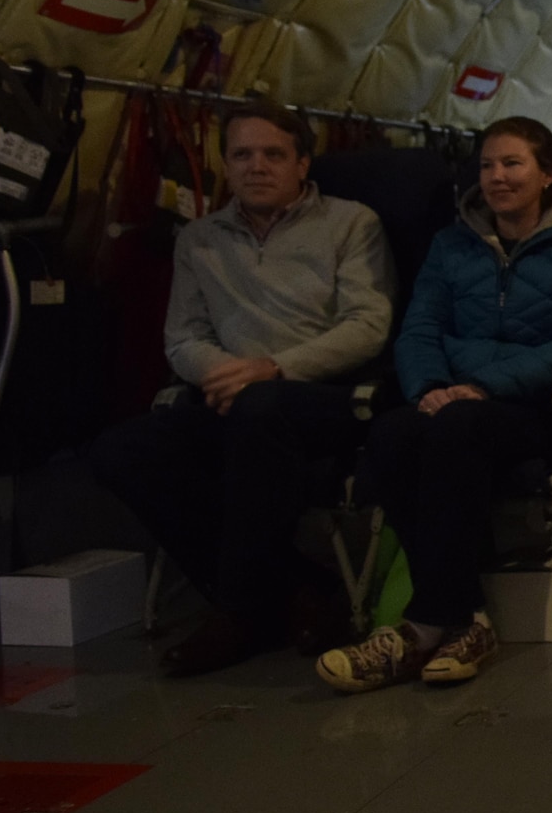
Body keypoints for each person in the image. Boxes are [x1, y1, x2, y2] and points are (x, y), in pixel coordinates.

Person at [317, 117, 552, 693]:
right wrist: (428, 386)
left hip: (531, 403)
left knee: (458, 427)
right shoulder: (451, 244)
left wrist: (484, 386)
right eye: (487, 166)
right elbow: (420, 327)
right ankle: (465, 619)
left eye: (512, 164)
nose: (497, 177)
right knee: (391, 436)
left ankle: (425, 623)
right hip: (450, 396)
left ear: (547, 173)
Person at [90, 102, 395, 677]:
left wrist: (272, 367)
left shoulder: (352, 223)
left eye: (274, 154)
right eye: (242, 155)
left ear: (303, 163)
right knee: (119, 450)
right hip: (231, 394)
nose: (257, 166)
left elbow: (367, 328)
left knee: (258, 410)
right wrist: (226, 374)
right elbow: (183, 337)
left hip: (325, 395)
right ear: (225, 166)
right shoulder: (199, 238)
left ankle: (239, 613)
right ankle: (299, 587)